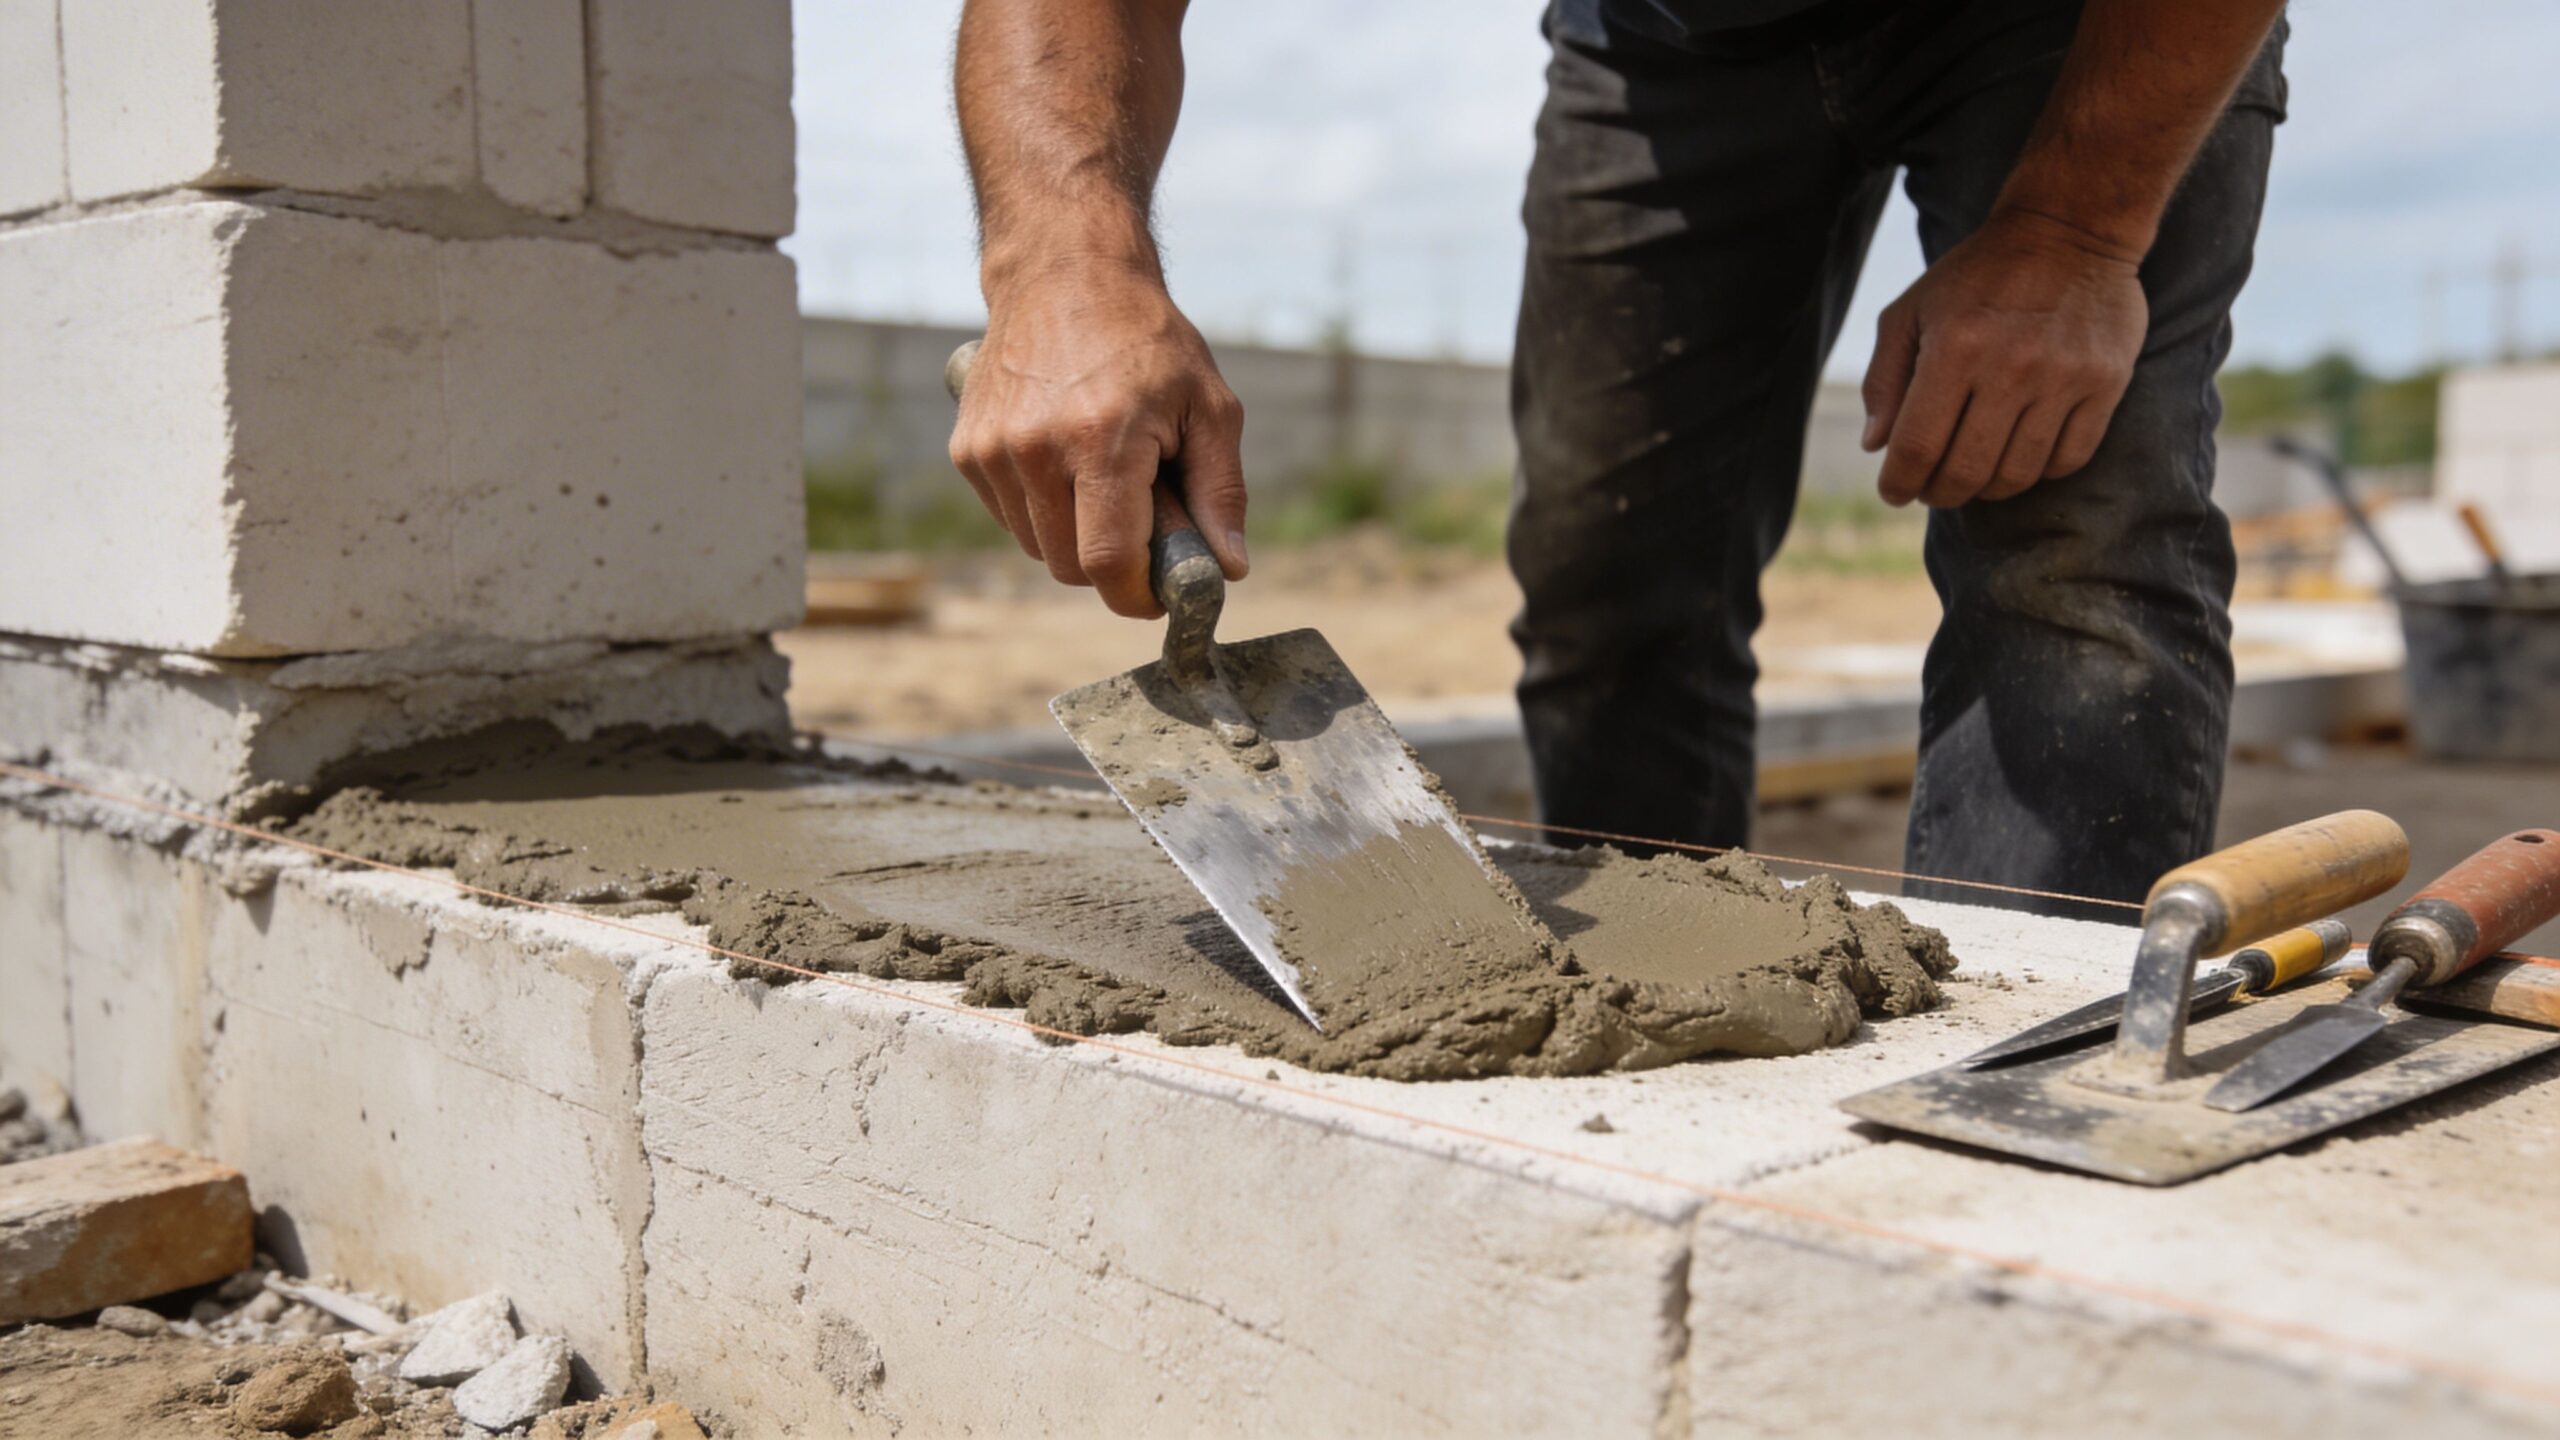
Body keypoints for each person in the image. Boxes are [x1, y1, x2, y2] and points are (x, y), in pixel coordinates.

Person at [947, 0, 2289, 913]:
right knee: (1613, 565)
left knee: (2072, 542)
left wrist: (2075, 236)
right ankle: (1667, 981)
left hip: (2068, 33)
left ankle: (2034, 1080)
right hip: (1669, 39)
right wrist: (1062, 256)